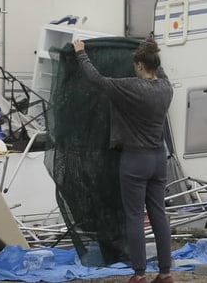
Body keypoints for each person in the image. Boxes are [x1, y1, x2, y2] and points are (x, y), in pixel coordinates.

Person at [73, 36, 174, 283]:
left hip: (135, 161)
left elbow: (96, 79)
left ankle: (139, 274)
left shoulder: (130, 87)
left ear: (140, 65)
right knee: (158, 215)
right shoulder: (166, 88)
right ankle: (165, 273)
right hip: (159, 160)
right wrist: (146, 48)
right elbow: (159, 69)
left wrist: (80, 53)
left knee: (134, 217)